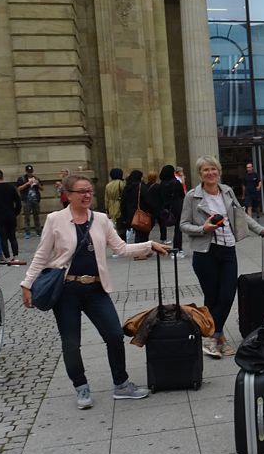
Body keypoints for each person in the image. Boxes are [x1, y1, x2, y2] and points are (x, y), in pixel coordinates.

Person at [21, 174, 170, 409]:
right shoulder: (55, 220)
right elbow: (41, 255)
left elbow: (120, 248)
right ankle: (81, 387)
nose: (87, 195)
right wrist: (26, 284)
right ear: (68, 195)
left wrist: (149, 245)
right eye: (81, 191)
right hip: (66, 289)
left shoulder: (101, 219)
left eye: (89, 190)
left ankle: (121, 384)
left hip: (96, 289)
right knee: (71, 342)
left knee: (113, 335)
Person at [179, 156, 264, 359]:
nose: (210, 173)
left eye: (213, 169)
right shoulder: (192, 196)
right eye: (205, 170)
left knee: (227, 294)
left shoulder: (227, 191)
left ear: (219, 171)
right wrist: (203, 229)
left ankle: (212, 336)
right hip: (206, 252)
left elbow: (241, 215)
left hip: (228, 249)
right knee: (212, 298)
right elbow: (183, 224)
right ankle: (217, 338)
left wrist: (260, 230)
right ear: (200, 174)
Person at [152, 164, 185, 255]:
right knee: (178, 228)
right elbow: (182, 195)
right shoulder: (176, 182)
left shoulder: (161, 184)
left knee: (169, 226)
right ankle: (178, 248)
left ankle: (174, 247)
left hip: (166, 208)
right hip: (177, 207)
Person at [120, 169, 152, 246]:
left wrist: (124, 216)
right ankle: (141, 251)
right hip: (140, 212)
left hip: (130, 213)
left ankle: (141, 250)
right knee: (142, 233)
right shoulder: (141, 187)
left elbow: (123, 203)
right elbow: (147, 200)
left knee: (138, 232)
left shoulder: (127, 187)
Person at [16, 164, 43, 239]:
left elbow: (42, 189)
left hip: (35, 200)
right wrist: (27, 183)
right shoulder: (21, 179)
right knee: (27, 217)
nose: (30, 173)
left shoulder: (36, 178)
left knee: (36, 216)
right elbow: (18, 188)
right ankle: (27, 232)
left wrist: (37, 184)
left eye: (31, 172)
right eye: (28, 172)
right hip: (26, 200)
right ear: (26, 171)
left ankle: (38, 231)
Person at [104, 168, 126, 239]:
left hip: (111, 206)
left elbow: (106, 199)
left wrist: (107, 209)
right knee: (121, 225)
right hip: (119, 205)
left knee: (114, 224)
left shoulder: (108, 185)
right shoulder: (121, 183)